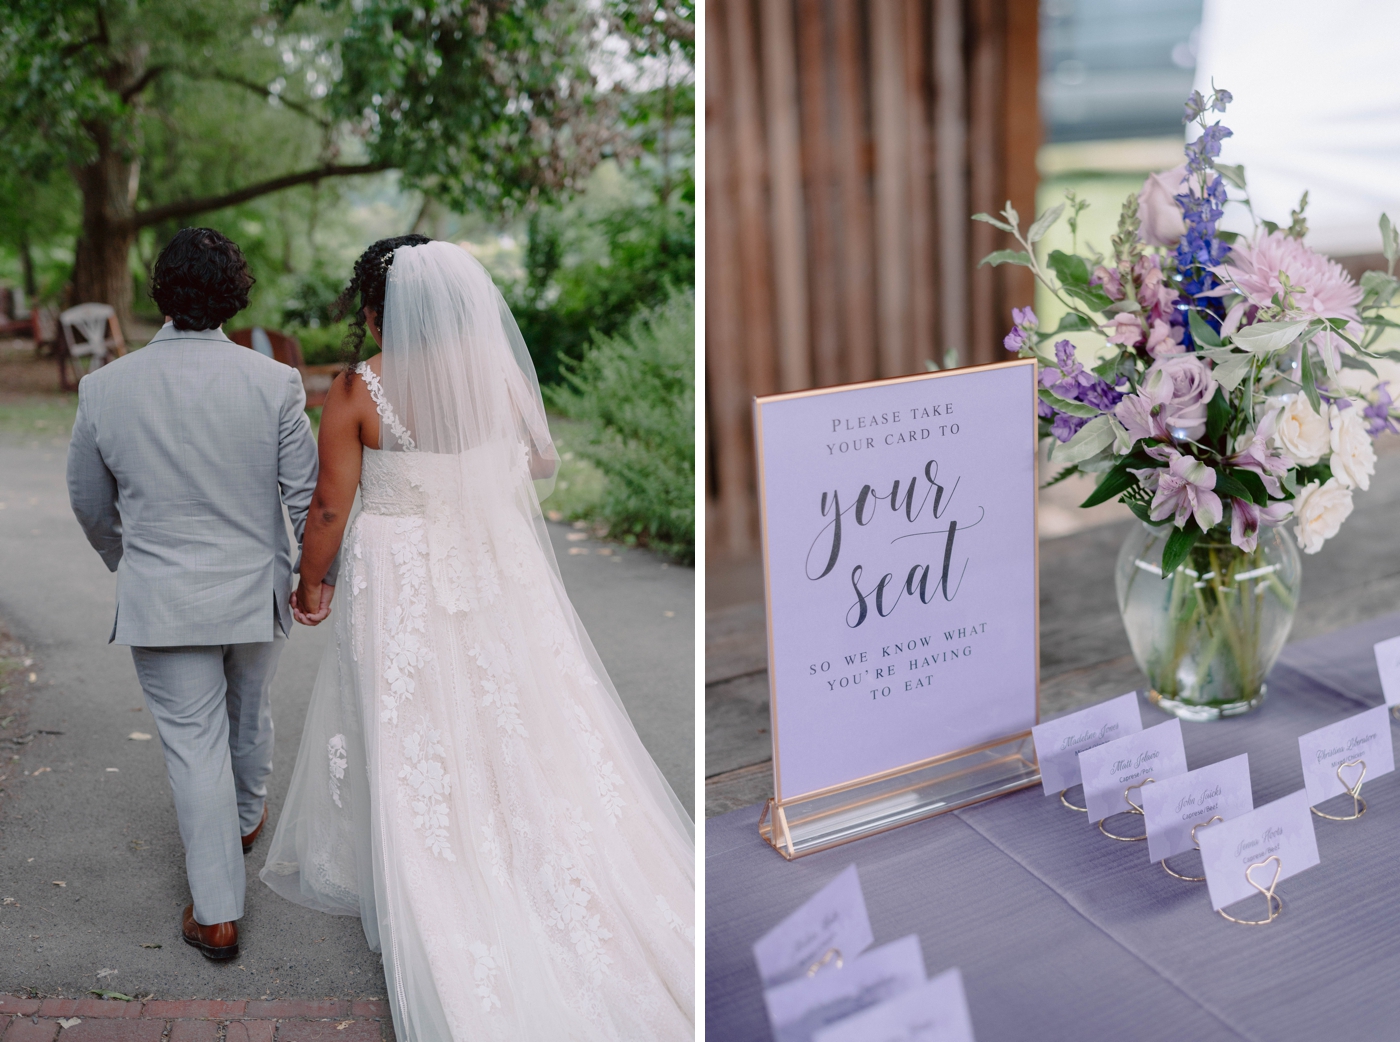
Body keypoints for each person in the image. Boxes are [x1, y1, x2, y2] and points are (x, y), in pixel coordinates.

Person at [260, 237, 694, 1040]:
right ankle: (510, 833)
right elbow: (539, 459)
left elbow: (329, 506)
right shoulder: (490, 374)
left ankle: (444, 862)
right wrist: (468, 478)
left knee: (412, 722)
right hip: (490, 564)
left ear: (379, 310)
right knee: (516, 707)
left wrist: (310, 581)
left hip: (399, 573)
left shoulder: (357, 387)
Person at [66, 227, 333, 960]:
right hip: (254, 590)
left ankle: (217, 910)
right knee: (249, 714)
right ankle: (245, 818)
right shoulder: (272, 381)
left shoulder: (105, 386)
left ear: (161, 293)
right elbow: (307, 494)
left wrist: (132, 561)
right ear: (234, 296)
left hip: (162, 596)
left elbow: (89, 503)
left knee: (194, 746)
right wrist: (315, 579)